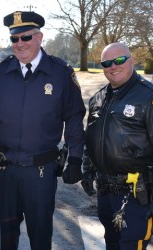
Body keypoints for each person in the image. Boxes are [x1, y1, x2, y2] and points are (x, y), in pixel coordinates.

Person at [0, 11, 86, 250]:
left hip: (40, 173)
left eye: (26, 38)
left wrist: (75, 158)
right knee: (8, 237)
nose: (20, 44)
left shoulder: (61, 73)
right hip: (5, 171)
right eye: (14, 39)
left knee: (40, 237)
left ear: (39, 37)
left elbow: (74, 117)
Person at [81, 42, 153, 249]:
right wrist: (87, 170)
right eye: (106, 62)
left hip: (137, 196)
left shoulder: (148, 96)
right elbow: (92, 137)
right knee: (112, 245)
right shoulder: (98, 99)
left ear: (132, 61)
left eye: (119, 60)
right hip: (106, 193)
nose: (113, 66)